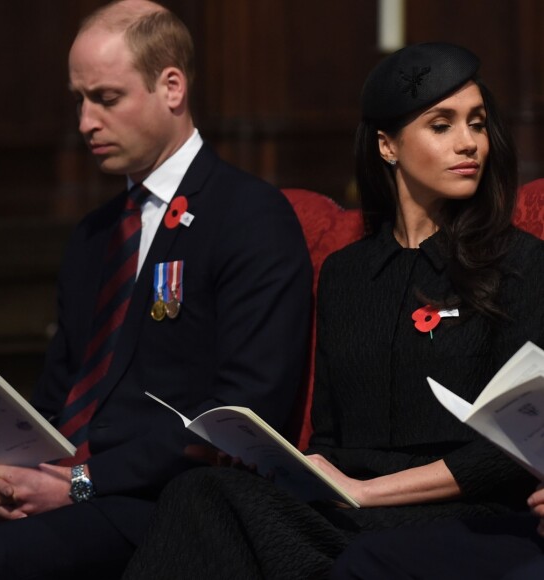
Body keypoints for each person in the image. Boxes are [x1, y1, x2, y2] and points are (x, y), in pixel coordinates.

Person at [122, 42, 544, 579]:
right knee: (201, 492)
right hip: (350, 509)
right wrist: (292, 467)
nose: (470, 144)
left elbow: (511, 450)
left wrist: (366, 492)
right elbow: (330, 437)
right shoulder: (347, 272)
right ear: (387, 146)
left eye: (478, 124)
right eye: (442, 126)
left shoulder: (521, 263)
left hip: (465, 515)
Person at [0, 1, 312, 579]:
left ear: (170, 87)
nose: (84, 123)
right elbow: (59, 394)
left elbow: (244, 410)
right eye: (79, 100)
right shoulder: (94, 233)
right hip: (61, 487)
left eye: (105, 98)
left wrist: (80, 483)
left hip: (159, 502)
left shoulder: (248, 215)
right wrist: (9, 471)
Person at [330, 486, 544, 579]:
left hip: (476, 497)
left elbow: (490, 464)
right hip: (532, 524)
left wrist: (364, 490)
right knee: (366, 560)